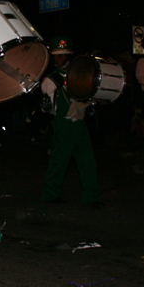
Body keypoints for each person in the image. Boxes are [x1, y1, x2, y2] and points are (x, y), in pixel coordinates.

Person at [39, 37, 101, 207]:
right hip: (64, 123)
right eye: (56, 56)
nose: (59, 59)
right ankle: (50, 194)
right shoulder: (50, 79)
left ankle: (91, 197)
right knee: (59, 160)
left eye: (63, 55)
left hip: (79, 122)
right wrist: (45, 106)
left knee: (87, 160)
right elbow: (49, 110)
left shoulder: (83, 73)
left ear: (70, 56)